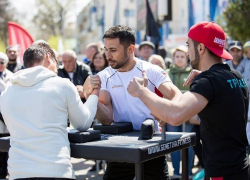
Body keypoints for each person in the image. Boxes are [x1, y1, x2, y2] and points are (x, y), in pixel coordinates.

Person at [127, 21, 249, 179]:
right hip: (239, 167)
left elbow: (175, 116)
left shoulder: (209, 81)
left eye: (188, 45)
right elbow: (219, 109)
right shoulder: (233, 75)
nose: (188, 51)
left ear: (201, 48)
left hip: (223, 171)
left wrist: (141, 91)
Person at [84, 25, 182, 180]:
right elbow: (107, 118)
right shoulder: (103, 76)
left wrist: (167, 112)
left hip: (152, 147)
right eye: (106, 49)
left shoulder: (150, 70)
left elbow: (175, 95)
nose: (107, 55)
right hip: (119, 148)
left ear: (130, 49)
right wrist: (91, 98)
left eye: (113, 50)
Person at [0, 42, 100, 180]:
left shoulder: (7, 92)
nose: (58, 68)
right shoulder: (62, 85)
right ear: (48, 57)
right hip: (56, 170)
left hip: (18, 172)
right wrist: (94, 95)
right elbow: (83, 123)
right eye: (56, 61)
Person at [166, 45, 194, 177]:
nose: (179, 59)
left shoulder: (192, 72)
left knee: (188, 142)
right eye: (177, 56)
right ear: (173, 58)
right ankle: (176, 172)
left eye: (182, 56)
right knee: (174, 143)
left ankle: (187, 172)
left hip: (188, 113)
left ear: (187, 58)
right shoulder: (167, 72)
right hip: (172, 113)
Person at [0, 52, 13, 179]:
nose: (0, 65)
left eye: (2, 62)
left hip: (9, 119)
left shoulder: (12, 76)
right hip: (0, 121)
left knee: (8, 150)